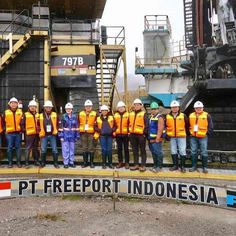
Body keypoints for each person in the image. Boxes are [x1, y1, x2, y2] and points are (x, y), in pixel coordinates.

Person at [189, 101, 214, 173]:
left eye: (200, 108)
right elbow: (188, 125)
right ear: (194, 108)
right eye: (197, 108)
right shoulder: (191, 115)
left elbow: (211, 126)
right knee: (193, 151)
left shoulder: (207, 115)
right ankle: (194, 166)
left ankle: (204, 167)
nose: (198, 109)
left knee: (204, 152)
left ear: (202, 108)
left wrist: (206, 133)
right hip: (193, 137)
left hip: (203, 137)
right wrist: (190, 132)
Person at [166, 100, 189, 173]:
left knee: (182, 151)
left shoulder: (183, 115)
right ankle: (175, 166)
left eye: (176, 107)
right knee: (173, 151)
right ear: (171, 108)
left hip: (181, 136)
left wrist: (187, 134)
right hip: (172, 137)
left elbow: (187, 125)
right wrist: (166, 135)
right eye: (173, 107)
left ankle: (182, 167)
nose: (174, 108)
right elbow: (165, 126)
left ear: (178, 108)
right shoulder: (167, 116)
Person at [129, 98, 149, 172]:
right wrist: (129, 133)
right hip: (132, 135)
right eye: (135, 105)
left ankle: (143, 165)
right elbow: (128, 124)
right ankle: (136, 164)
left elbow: (147, 125)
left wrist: (144, 134)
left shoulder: (144, 114)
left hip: (141, 136)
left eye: (138, 105)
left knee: (142, 150)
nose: (136, 106)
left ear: (141, 106)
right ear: (133, 106)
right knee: (135, 150)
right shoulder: (131, 114)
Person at [38, 100, 59, 168]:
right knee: (43, 149)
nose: (48, 108)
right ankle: (43, 163)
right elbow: (37, 125)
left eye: (49, 107)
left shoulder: (55, 114)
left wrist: (56, 130)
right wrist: (40, 131)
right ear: (44, 108)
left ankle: (55, 163)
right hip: (44, 135)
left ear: (51, 108)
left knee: (54, 149)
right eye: (47, 107)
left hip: (52, 135)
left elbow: (58, 124)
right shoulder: (40, 115)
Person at [3, 97, 23, 168]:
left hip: (18, 133)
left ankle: (18, 162)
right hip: (9, 133)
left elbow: (22, 122)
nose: (13, 104)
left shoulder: (20, 112)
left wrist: (21, 130)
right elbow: (3, 122)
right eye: (12, 103)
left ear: (17, 104)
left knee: (18, 148)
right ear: (10, 104)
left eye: (15, 103)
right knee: (9, 148)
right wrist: (5, 129)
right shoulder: (6, 112)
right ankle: (10, 163)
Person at [94, 105, 116, 169]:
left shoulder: (111, 118)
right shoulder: (98, 118)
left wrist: (112, 130)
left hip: (109, 136)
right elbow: (95, 127)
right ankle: (104, 163)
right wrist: (100, 130)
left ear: (107, 111)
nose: (104, 111)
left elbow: (115, 126)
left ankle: (110, 163)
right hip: (102, 136)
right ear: (101, 111)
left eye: (105, 110)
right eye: (103, 110)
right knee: (104, 150)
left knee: (109, 150)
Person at [59, 103, 80, 168]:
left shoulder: (74, 117)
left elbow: (77, 126)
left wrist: (77, 135)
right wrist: (61, 136)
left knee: (72, 149)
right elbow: (60, 127)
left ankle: (71, 162)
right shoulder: (63, 117)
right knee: (65, 150)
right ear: (65, 109)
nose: (68, 110)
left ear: (72, 109)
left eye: (69, 109)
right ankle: (66, 163)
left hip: (72, 136)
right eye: (67, 109)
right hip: (65, 136)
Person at [78, 100, 97, 168]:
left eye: (89, 106)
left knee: (91, 148)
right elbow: (78, 123)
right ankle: (85, 163)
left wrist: (96, 133)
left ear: (91, 107)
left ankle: (91, 163)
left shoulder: (95, 114)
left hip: (91, 133)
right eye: (87, 106)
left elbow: (97, 124)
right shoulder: (80, 113)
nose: (88, 107)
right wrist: (79, 131)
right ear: (84, 107)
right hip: (83, 133)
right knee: (84, 148)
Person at [22, 100, 41, 167]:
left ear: (36, 107)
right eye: (31, 106)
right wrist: (25, 131)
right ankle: (26, 162)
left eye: (34, 106)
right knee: (28, 148)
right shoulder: (25, 114)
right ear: (29, 107)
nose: (32, 107)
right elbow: (22, 124)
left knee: (35, 148)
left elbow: (40, 124)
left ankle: (36, 161)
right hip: (29, 135)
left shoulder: (38, 115)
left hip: (36, 134)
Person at [148, 102, 165, 172]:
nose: (153, 110)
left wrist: (158, 138)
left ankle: (159, 167)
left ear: (158, 109)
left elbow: (160, 129)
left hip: (156, 139)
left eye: (155, 109)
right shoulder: (152, 117)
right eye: (152, 109)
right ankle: (155, 166)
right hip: (151, 139)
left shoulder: (159, 117)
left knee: (158, 152)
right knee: (154, 152)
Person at [114, 101, 130, 169]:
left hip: (126, 134)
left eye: (122, 107)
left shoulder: (128, 115)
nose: (121, 108)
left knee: (126, 149)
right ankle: (120, 162)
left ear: (124, 107)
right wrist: (114, 131)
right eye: (119, 107)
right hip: (118, 135)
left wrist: (129, 132)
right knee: (119, 149)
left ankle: (127, 163)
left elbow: (130, 124)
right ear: (117, 108)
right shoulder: (115, 115)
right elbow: (113, 125)